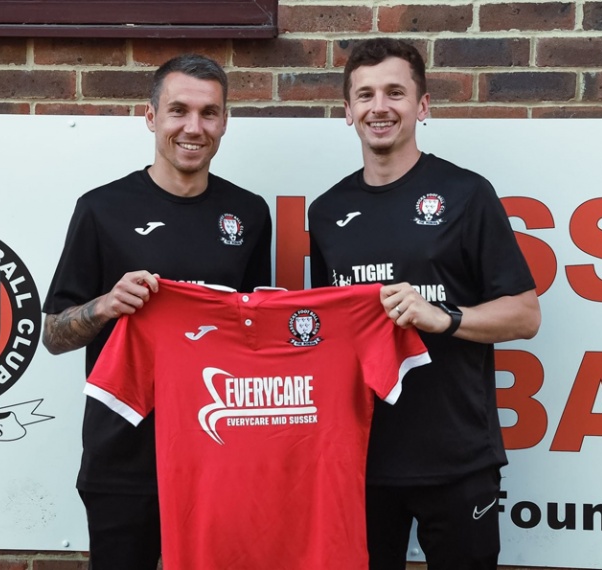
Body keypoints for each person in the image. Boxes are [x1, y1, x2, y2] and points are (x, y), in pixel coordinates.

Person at [308, 38, 541, 570]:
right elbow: (329, 333)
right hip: (362, 458)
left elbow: (526, 315)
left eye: (395, 92)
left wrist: (446, 318)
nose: (380, 107)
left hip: (457, 457)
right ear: (347, 111)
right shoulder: (327, 211)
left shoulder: (465, 194)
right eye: (364, 95)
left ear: (423, 105)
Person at [42, 54, 272, 570]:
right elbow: (53, 334)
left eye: (209, 113)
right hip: (124, 455)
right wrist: (105, 305)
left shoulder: (250, 213)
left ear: (225, 121)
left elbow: (256, 335)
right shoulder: (102, 209)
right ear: (151, 117)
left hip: (218, 452)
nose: (194, 127)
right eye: (178, 111)